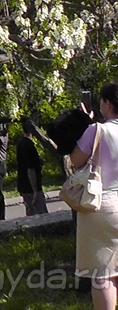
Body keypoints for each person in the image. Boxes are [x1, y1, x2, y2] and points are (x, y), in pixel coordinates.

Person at [70, 82, 118, 310]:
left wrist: (85, 125)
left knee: (103, 274)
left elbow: (75, 160)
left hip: (101, 205)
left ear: (107, 103)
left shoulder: (97, 130)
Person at [16, 118, 48, 216]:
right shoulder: (29, 146)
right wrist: (35, 191)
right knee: (42, 215)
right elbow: (30, 170)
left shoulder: (20, 143)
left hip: (23, 185)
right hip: (31, 187)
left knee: (30, 214)